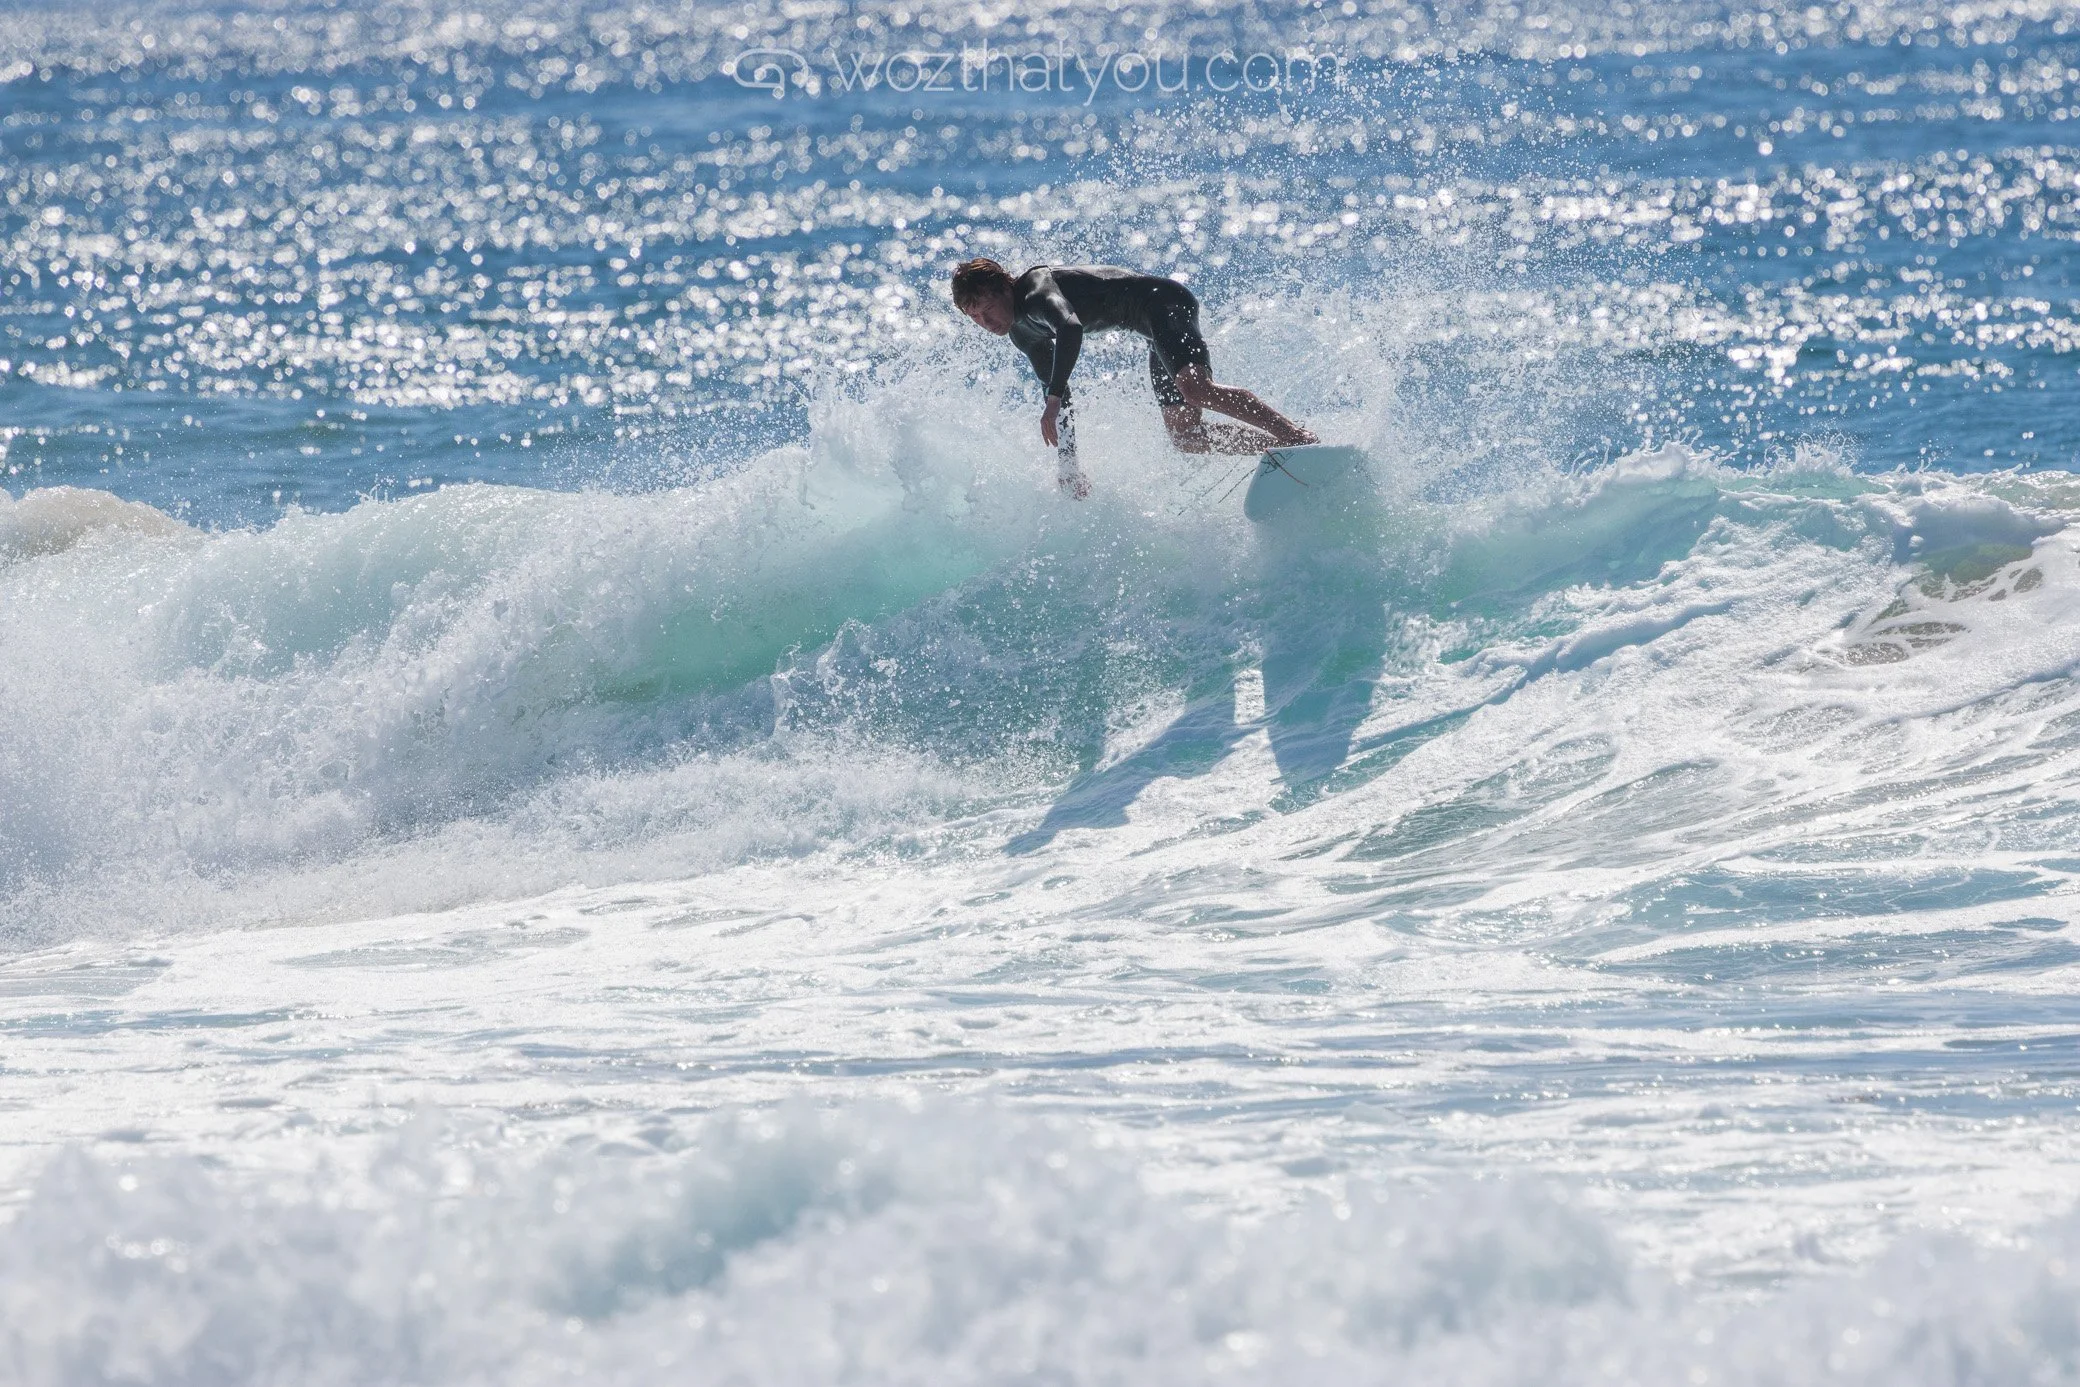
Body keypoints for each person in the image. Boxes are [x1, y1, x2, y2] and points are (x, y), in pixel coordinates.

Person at [951, 258, 1316, 497]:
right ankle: (1278, 450)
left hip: (1164, 303)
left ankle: (1297, 436)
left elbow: (1070, 327)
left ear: (1004, 287)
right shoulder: (1023, 333)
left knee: (1195, 388)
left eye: (987, 310)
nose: (986, 323)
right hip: (1150, 333)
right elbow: (1062, 397)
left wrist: (1053, 397)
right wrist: (1068, 469)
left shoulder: (1035, 286)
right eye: (976, 319)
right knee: (1186, 437)